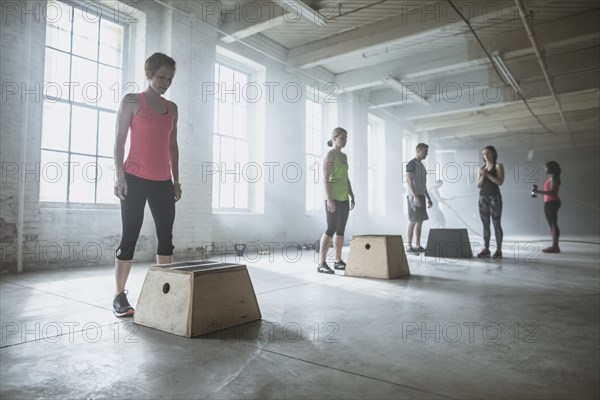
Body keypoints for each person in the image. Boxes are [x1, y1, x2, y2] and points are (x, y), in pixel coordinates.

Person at [113, 53, 181, 316]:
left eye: (170, 79)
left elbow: (173, 146)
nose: (166, 82)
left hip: (163, 181)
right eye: (162, 76)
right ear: (149, 73)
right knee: (129, 236)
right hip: (134, 179)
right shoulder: (132, 101)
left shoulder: (172, 108)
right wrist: (119, 176)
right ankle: (119, 295)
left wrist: (177, 179)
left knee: (166, 239)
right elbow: (119, 140)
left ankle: (163, 292)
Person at [317, 127, 355, 274]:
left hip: (344, 197)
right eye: (342, 138)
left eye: (346, 138)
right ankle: (321, 263)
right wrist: (330, 200)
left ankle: (338, 261)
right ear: (334, 138)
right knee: (331, 229)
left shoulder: (344, 157)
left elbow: (346, 178)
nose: (345, 140)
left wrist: (352, 195)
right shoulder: (330, 155)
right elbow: (325, 179)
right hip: (332, 197)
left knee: (341, 230)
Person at [476, 145, 504, 259]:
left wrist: (488, 175)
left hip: (494, 197)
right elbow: (478, 185)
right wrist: (483, 176)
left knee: (496, 223)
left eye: (487, 153)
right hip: (483, 197)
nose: (485, 155)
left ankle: (498, 249)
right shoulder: (481, 168)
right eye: (483, 154)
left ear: (493, 153)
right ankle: (486, 249)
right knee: (485, 224)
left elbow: (500, 181)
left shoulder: (498, 166)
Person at [406, 143, 432, 253]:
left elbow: (423, 184)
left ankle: (417, 245)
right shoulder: (411, 164)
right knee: (413, 220)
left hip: (421, 196)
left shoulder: (421, 165)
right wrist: (415, 196)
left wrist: (428, 197)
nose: (427, 153)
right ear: (418, 150)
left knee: (420, 221)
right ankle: (409, 246)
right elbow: (409, 181)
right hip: (414, 196)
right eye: (425, 151)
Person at [532, 161, 562, 253]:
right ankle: (555, 246)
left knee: (553, 224)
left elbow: (553, 192)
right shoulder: (553, 177)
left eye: (546, 168)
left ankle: (555, 247)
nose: (544, 169)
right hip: (551, 202)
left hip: (551, 202)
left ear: (551, 168)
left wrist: (537, 191)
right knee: (552, 224)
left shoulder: (553, 177)